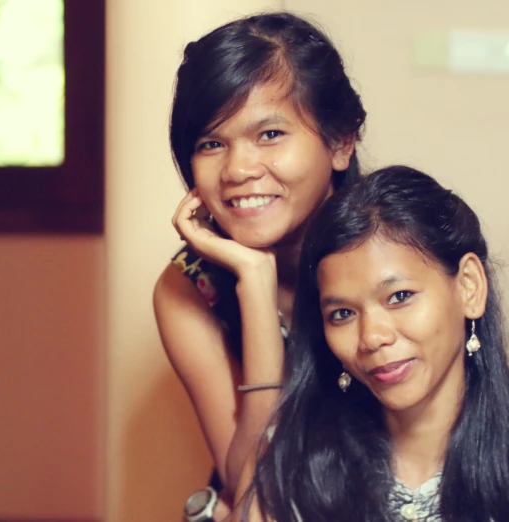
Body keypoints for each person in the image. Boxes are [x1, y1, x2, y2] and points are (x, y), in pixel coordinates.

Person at [237, 166, 509, 521]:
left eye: (400, 296)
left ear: (469, 286)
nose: (372, 337)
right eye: (343, 314)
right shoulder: (287, 470)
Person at [152, 11, 366, 519]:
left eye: (269, 134)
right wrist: (255, 282)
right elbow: (250, 484)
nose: (239, 170)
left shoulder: (395, 256)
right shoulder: (189, 288)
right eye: (211, 144)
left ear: (340, 142)